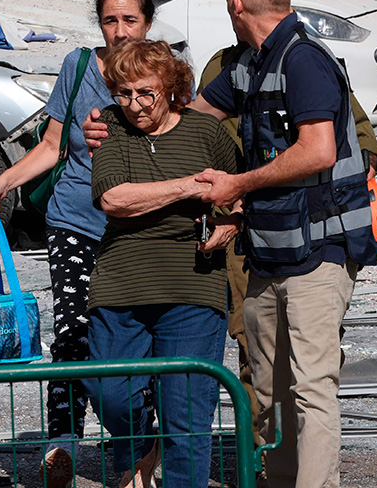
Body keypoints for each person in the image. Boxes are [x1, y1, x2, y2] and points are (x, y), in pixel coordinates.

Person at [185, 0, 377, 488]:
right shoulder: (250, 61)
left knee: (313, 386)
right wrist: (113, 122)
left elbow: (317, 151)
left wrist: (238, 185)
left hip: (320, 255)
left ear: (235, 4)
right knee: (269, 386)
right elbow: (193, 117)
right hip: (270, 255)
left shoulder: (304, 59)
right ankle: (279, 478)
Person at [0, 0, 158, 487]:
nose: (119, 31)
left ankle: (137, 453)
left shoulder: (159, 73)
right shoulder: (78, 66)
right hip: (74, 221)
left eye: (130, 19)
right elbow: (53, 146)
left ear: (148, 22)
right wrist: (2, 184)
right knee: (72, 333)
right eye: (109, 20)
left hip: (135, 230)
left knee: (133, 342)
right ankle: (62, 446)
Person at [197, 46, 377, 447]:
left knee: (312, 371)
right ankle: (264, 462)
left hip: (311, 243)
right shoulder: (224, 68)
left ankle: (305, 460)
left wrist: (317, 186)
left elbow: (362, 143)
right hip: (246, 241)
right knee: (257, 364)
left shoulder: (306, 60)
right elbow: (194, 138)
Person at [85, 39, 240, 488]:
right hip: (120, 285)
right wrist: (191, 186)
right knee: (110, 395)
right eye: (123, 93)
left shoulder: (208, 134)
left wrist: (227, 225)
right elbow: (115, 199)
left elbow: (234, 196)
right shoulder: (109, 127)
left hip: (193, 287)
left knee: (186, 413)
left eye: (145, 93)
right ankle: (139, 451)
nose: (134, 105)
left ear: (171, 86)